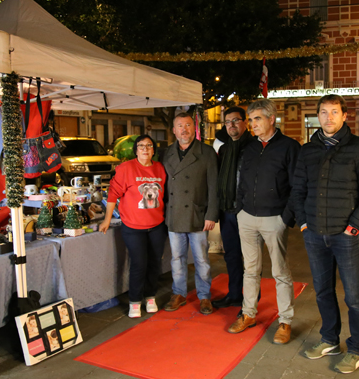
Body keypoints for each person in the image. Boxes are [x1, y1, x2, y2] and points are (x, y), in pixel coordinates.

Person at [290, 94, 359, 374]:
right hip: (314, 234)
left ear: (345, 116)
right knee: (322, 291)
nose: (328, 117)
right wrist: (304, 223)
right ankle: (329, 339)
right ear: (317, 116)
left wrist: (354, 227)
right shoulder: (308, 150)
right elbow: (298, 190)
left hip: (347, 235)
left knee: (354, 296)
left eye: (334, 112)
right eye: (323, 112)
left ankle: (356, 349)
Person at [227, 99, 300, 346]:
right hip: (247, 216)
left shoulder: (289, 147)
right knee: (250, 269)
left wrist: (286, 217)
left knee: (280, 272)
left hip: (274, 218)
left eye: (257, 119)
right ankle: (248, 313)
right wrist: (240, 209)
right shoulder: (249, 148)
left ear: (271, 119)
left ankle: (285, 321)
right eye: (250, 120)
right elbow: (242, 181)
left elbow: (297, 185)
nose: (252, 124)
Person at [101, 135, 168, 318]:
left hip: (157, 225)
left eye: (149, 145)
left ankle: (150, 297)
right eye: (141, 146)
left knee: (155, 262)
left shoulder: (160, 168)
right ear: (136, 150)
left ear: (153, 150)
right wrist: (107, 220)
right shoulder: (126, 168)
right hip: (133, 227)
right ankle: (135, 301)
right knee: (139, 263)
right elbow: (113, 194)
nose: (145, 149)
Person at [161, 112, 219, 315]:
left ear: (193, 128)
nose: (184, 130)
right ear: (174, 130)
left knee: (201, 259)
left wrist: (211, 214)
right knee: (177, 258)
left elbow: (214, 186)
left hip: (198, 214)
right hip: (174, 213)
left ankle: (204, 296)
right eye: (180, 126)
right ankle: (179, 293)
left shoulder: (207, 152)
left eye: (187, 125)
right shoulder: (166, 153)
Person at [213, 107, 255, 309]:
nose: (231, 125)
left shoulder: (254, 147)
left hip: (247, 211)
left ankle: (251, 301)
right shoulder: (224, 149)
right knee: (231, 256)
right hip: (227, 210)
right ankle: (234, 294)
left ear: (245, 122)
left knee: (251, 259)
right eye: (227, 122)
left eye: (236, 120)